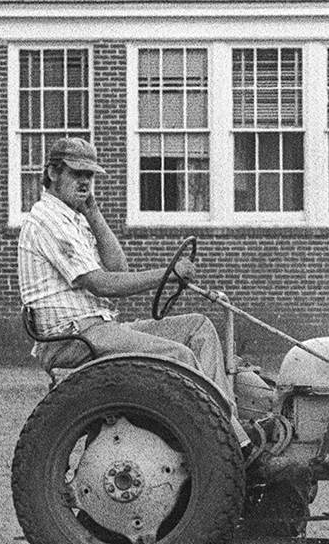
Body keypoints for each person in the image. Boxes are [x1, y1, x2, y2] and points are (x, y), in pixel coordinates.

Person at [16, 136, 245, 439]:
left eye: (90, 175)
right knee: (178, 356)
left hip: (97, 328)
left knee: (198, 328)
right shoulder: (47, 221)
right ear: (53, 173)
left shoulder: (74, 219)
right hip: (72, 338)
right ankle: (227, 442)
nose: (85, 182)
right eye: (77, 174)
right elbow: (101, 283)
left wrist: (93, 213)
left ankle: (231, 432)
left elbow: (118, 268)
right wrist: (169, 274)